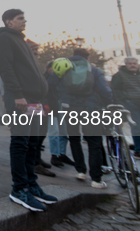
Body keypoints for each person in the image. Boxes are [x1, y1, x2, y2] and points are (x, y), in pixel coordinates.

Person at [0, 9, 56, 211]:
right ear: (8, 22)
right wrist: (18, 93)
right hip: (21, 99)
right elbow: (6, 68)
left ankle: (31, 185)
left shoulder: (22, 41)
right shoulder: (4, 39)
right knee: (21, 143)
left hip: (35, 101)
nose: (24, 21)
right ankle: (19, 189)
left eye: (24, 18)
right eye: (20, 18)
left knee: (32, 143)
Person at [48, 49, 112, 188]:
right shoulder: (94, 70)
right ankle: (96, 179)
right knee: (94, 142)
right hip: (91, 108)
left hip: (69, 107)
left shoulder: (64, 67)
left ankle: (81, 171)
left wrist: (60, 97)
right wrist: (109, 104)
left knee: (74, 138)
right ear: (87, 58)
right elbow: (105, 90)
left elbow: (50, 84)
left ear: (73, 56)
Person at [46, 59, 76, 168]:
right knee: (54, 131)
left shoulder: (62, 79)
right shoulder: (48, 78)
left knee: (63, 131)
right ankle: (54, 156)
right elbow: (48, 89)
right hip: (51, 108)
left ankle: (61, 154)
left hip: (61, 105)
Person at [111, 56, 140, 159]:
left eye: (134, 63)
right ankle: (138, 150)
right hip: (130, 103)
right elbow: (115, 90)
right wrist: (125, 100)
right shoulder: (119, 76)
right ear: (126, 64)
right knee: (137, 125)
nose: (133, 65)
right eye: (130, 63)